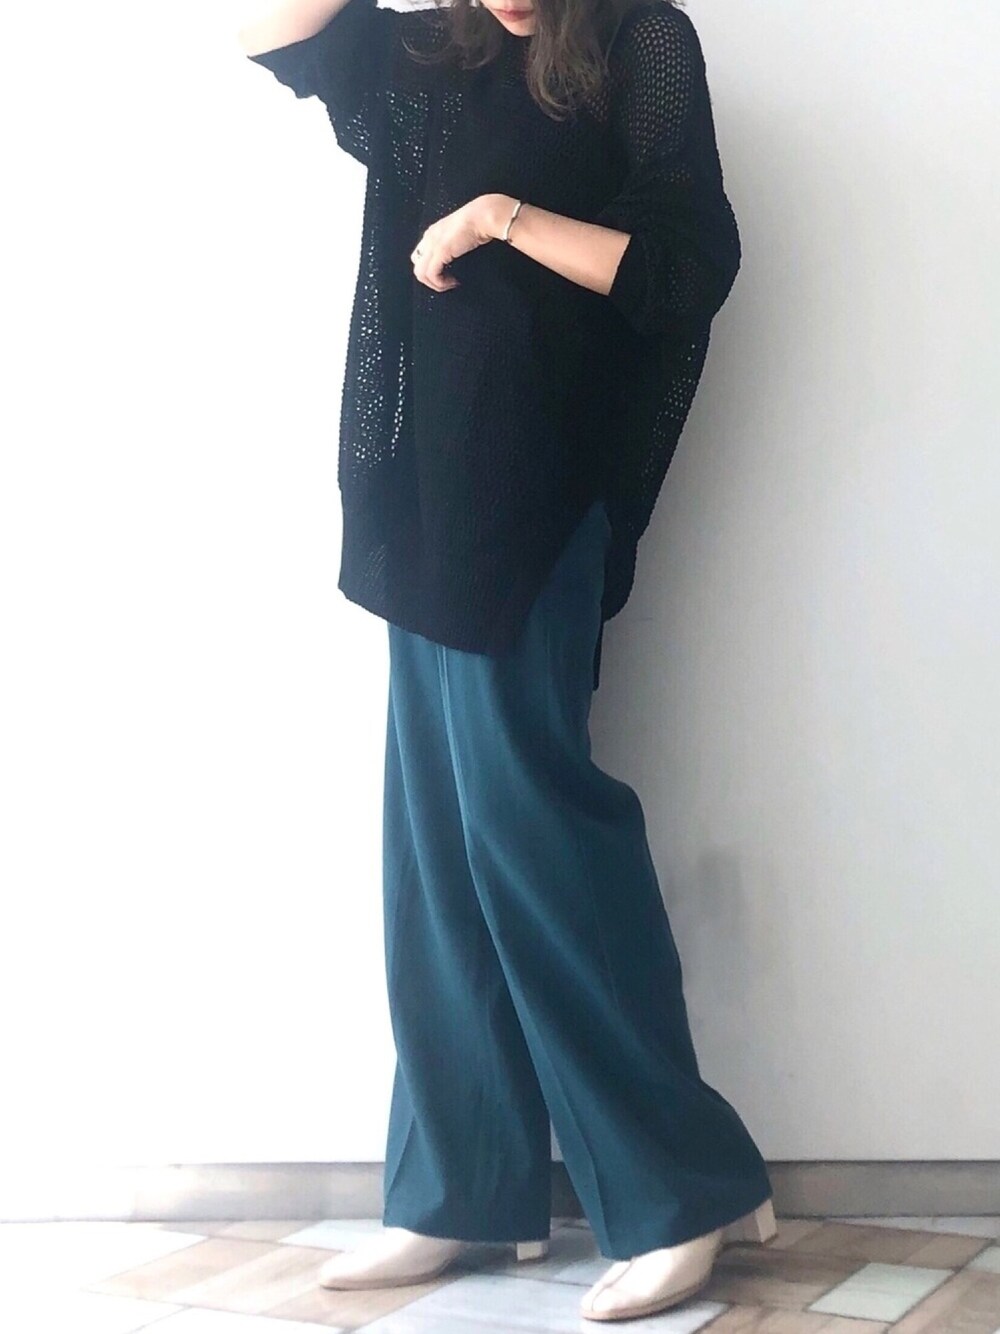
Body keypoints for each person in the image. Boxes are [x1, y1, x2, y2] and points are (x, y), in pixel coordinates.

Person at [240, 0, 776, 1319]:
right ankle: (461, 1192)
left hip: (541, 497)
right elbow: (259, 30)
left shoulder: (640, 43)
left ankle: (684, 1186)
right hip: (425, 500)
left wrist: (500, 218)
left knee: (536, 831)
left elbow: (685, 268)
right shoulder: (433, 57)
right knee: (433, 849)